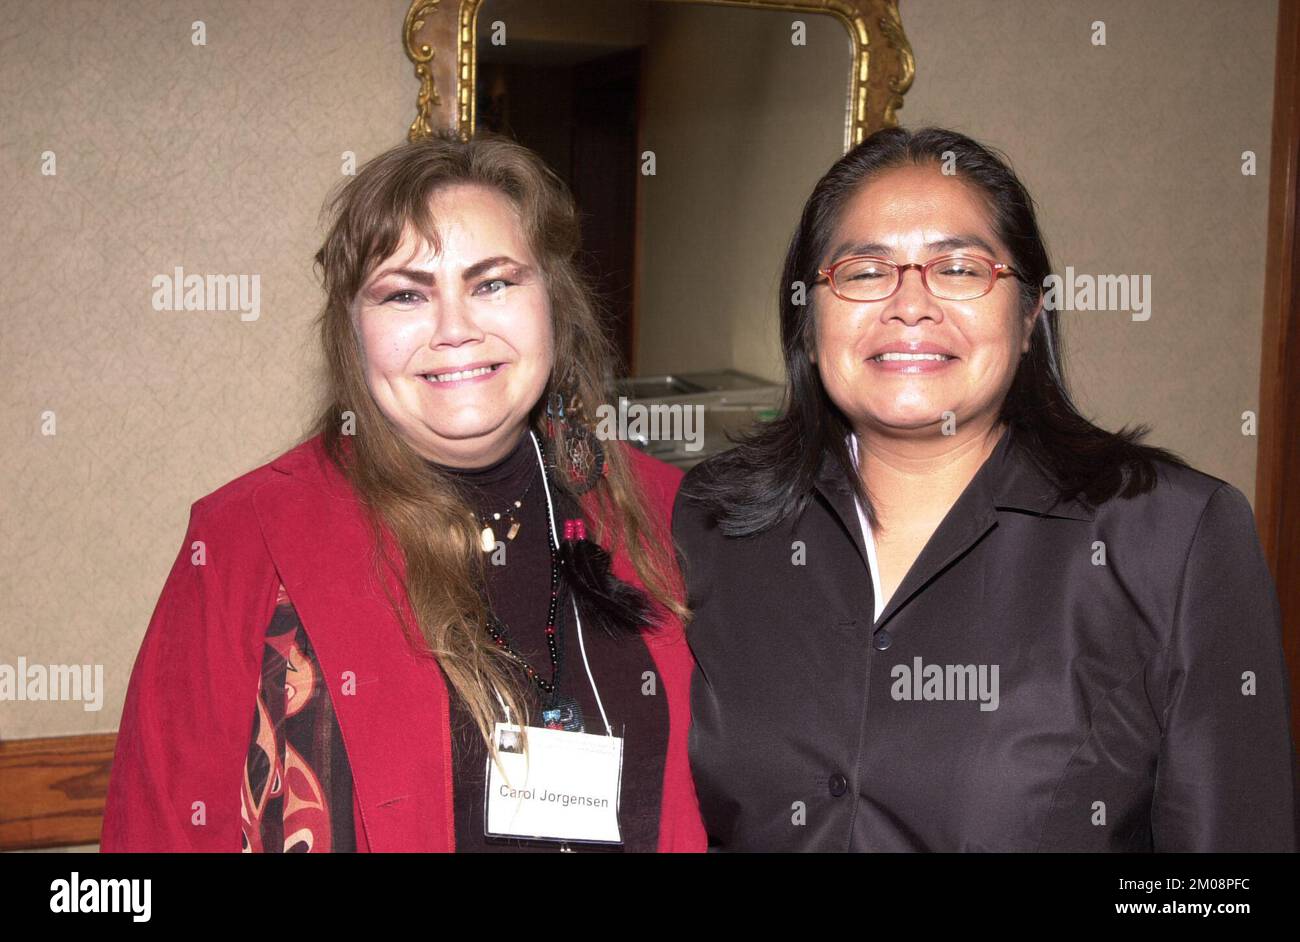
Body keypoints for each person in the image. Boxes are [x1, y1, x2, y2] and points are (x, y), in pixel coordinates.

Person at [673, 125, 1297, 852]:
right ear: (808, 322)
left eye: (961, 269)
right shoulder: (710, 524)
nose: (910, 305)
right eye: (865, 272)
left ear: (1030, 315)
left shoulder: (1171, 536)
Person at [101, 131, 705, 853]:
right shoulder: (242, 541)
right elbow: (155, 834)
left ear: (552, 302)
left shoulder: (667, 514)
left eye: (493, 283)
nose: (455, 330)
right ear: (352, 333)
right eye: (405, 294)